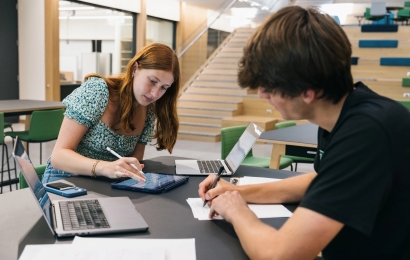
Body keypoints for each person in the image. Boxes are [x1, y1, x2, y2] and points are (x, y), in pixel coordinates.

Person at [198, 6, 410, 260]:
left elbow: (278, 255)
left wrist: (236, 210)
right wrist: (237, 192)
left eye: (269, 87)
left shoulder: (367, 133)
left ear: (307, 92)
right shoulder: (342, 114)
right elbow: (321, 181)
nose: (262, 95)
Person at [42, 43, 180, 184]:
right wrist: (105, 167)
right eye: (152, 81)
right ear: (135, 69)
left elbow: (135, 162)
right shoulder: (98, 91)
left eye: (164, 88)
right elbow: (58, 156)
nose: (155, 93)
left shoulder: (149, 110)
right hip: (65, 180)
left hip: (106, 184)